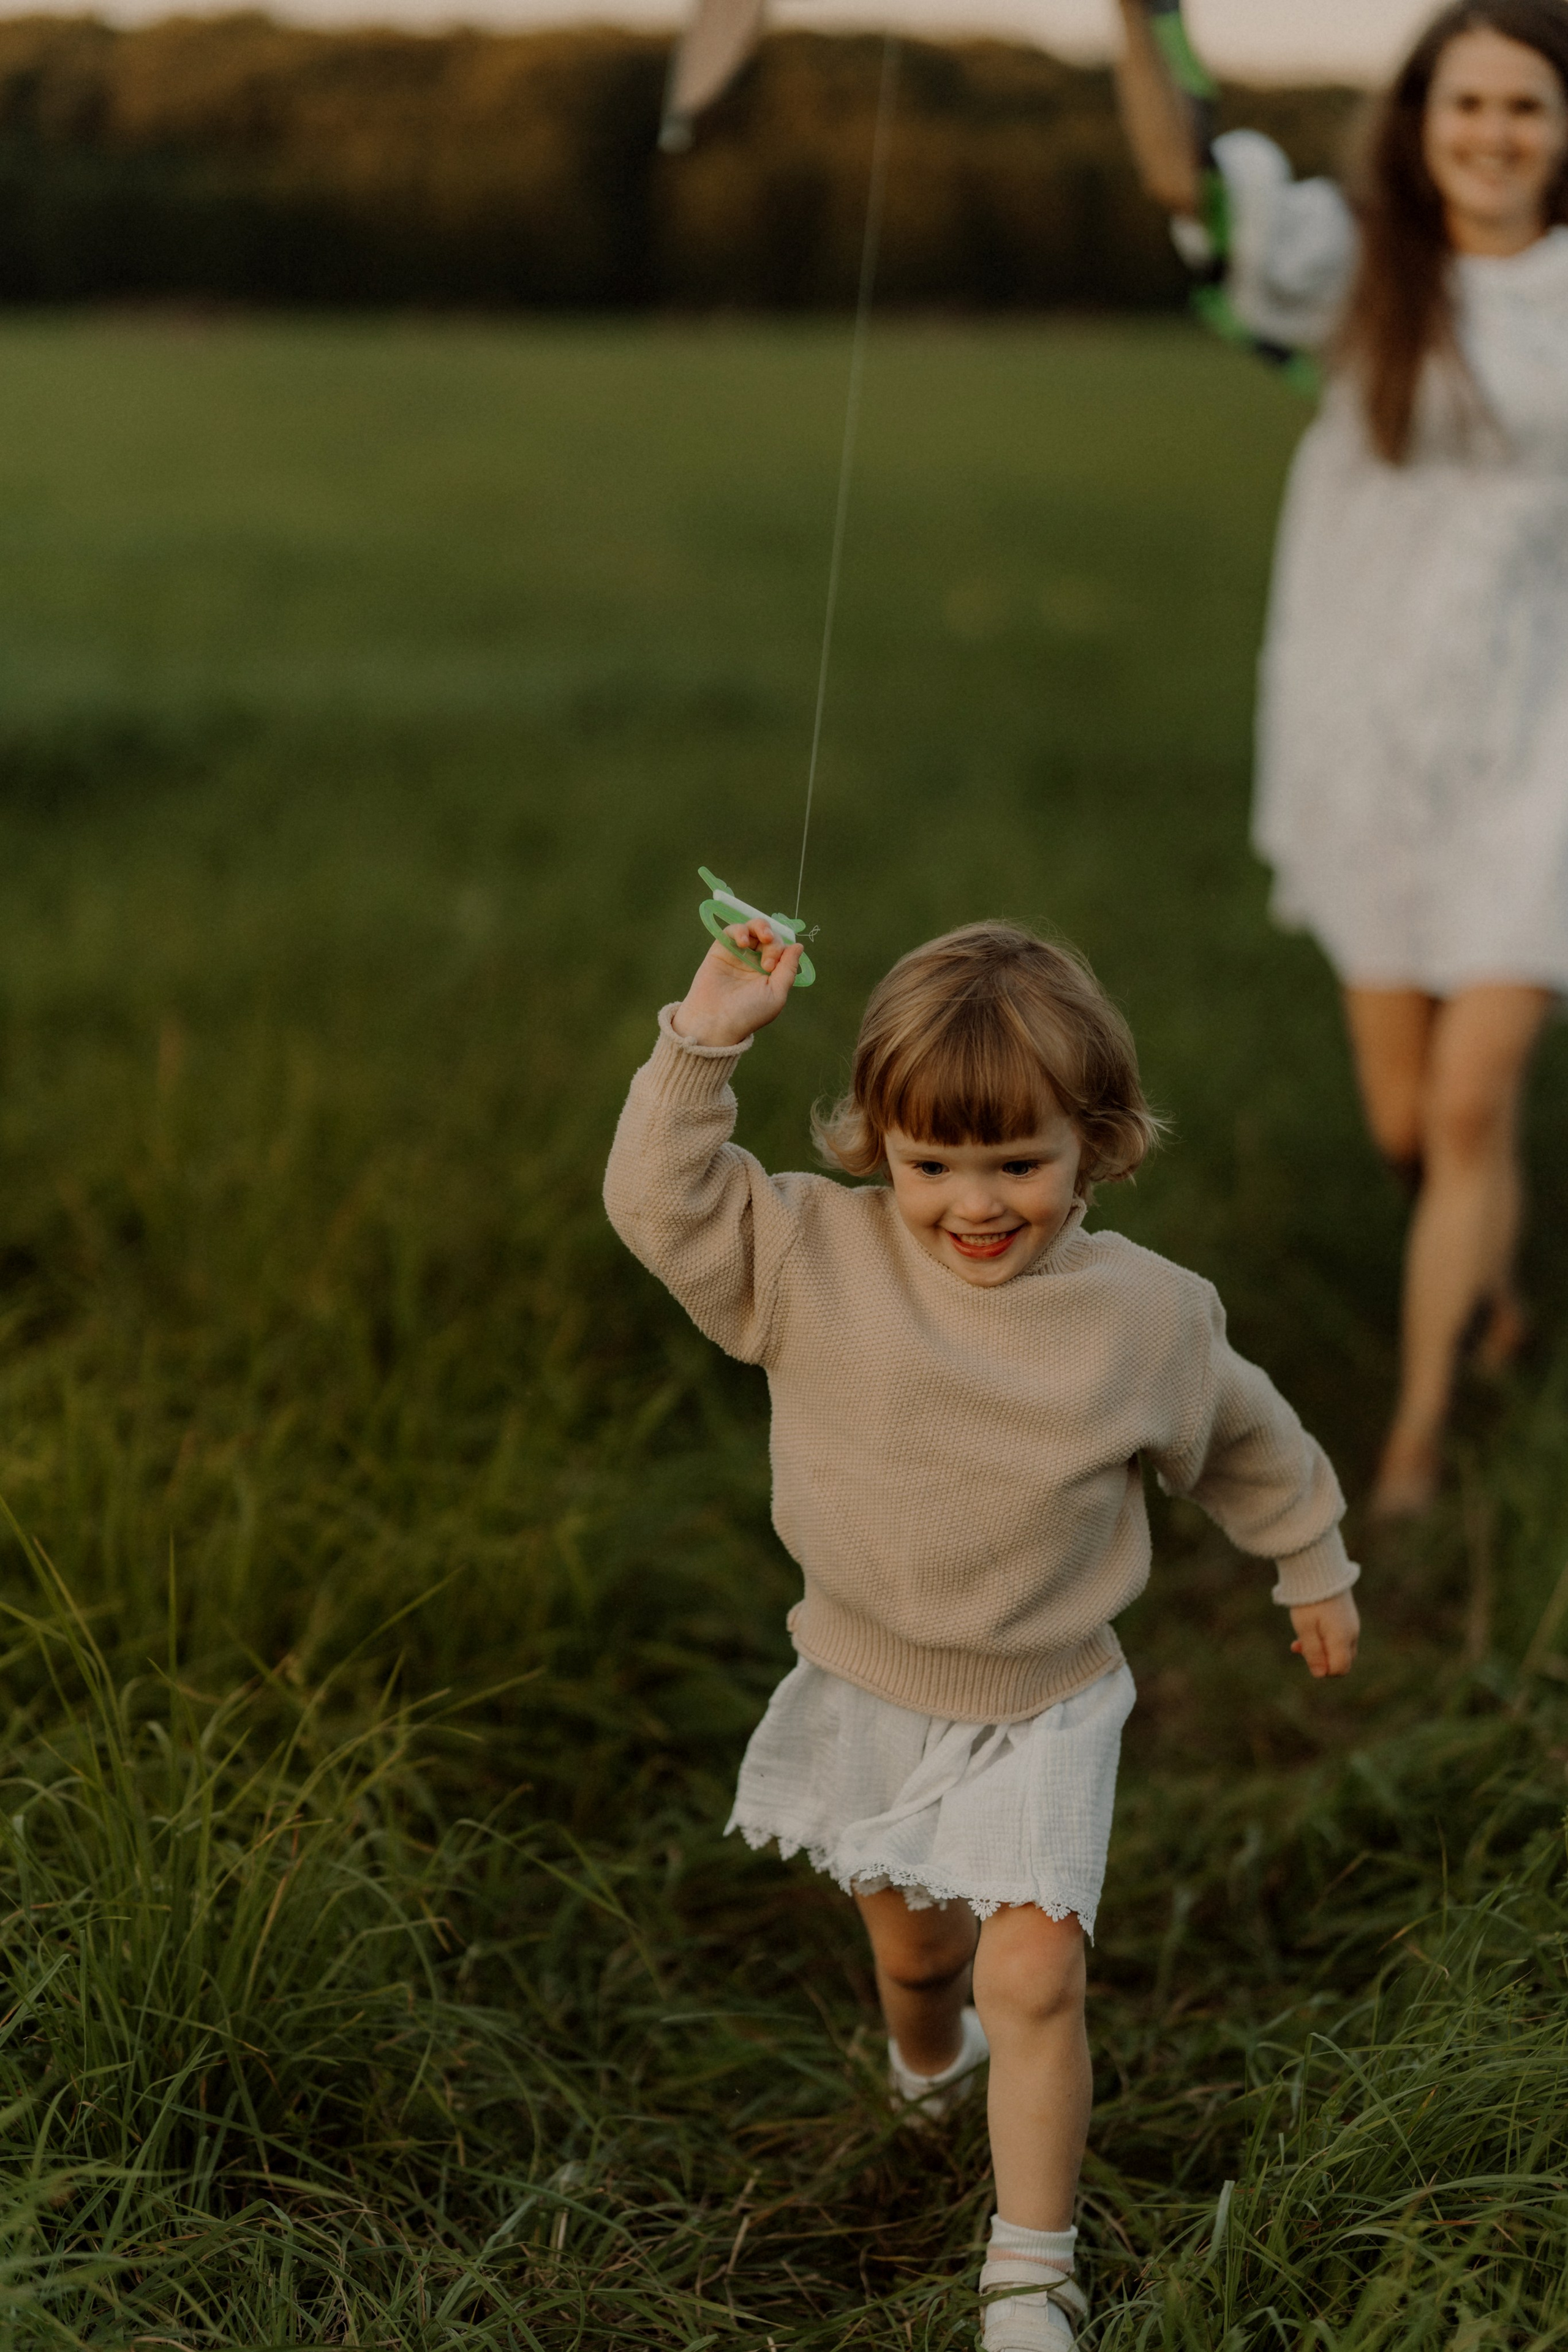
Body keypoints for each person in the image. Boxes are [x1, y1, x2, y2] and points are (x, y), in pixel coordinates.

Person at [604, 914, 1360, 2348]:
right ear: (875, 1145)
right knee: (918, 1959)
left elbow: (1245, 1437)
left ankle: (1028, 2268)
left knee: (1031, 1974)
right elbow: (659, 1205)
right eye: (928, 1165)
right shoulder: (813, 1256)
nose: (971, 1204)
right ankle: (922, 2059)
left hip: (1046, 1696)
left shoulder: (1144, 1320)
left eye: (1015, 1163)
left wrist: (1308, 1560)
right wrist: (700, 1044)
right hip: (867, 1679)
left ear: (1095, 1145)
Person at [1114, 0, 1568, 1518]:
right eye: (1465, 104)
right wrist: (1136, 20)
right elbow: (1182, 178)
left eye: (1525, 106)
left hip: (1540, 734)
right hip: (1366, 730)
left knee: (1469, 1101)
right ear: (1420, 123)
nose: (1491, 134)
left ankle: (1417, 1439)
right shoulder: (1361, 270)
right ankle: (1490, 1284)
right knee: (1404, 1123)